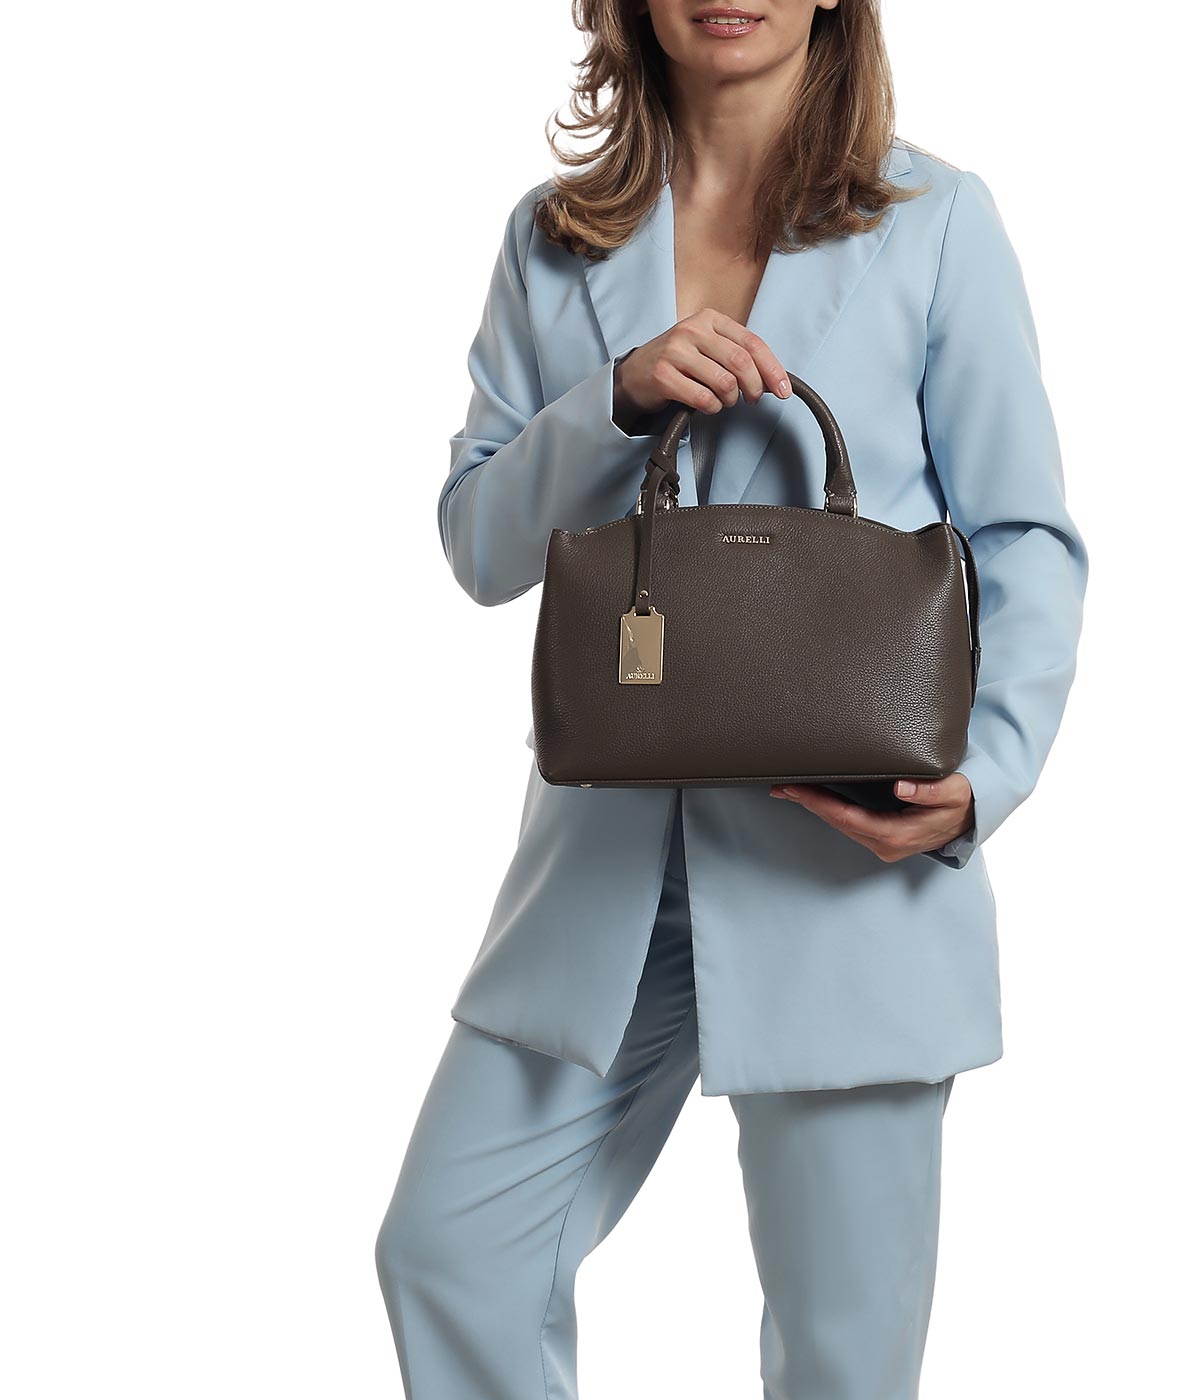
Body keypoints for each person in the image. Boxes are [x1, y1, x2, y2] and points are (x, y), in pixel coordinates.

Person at [376, 3, 1088, 1396]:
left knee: (841, 1361)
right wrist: (615, 401)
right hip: (601, 878)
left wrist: (980, 781)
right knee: (451, 1252)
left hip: (847, 861)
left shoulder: (938, 223)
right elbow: (479, 544)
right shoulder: (552, 239)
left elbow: (1023, 540)